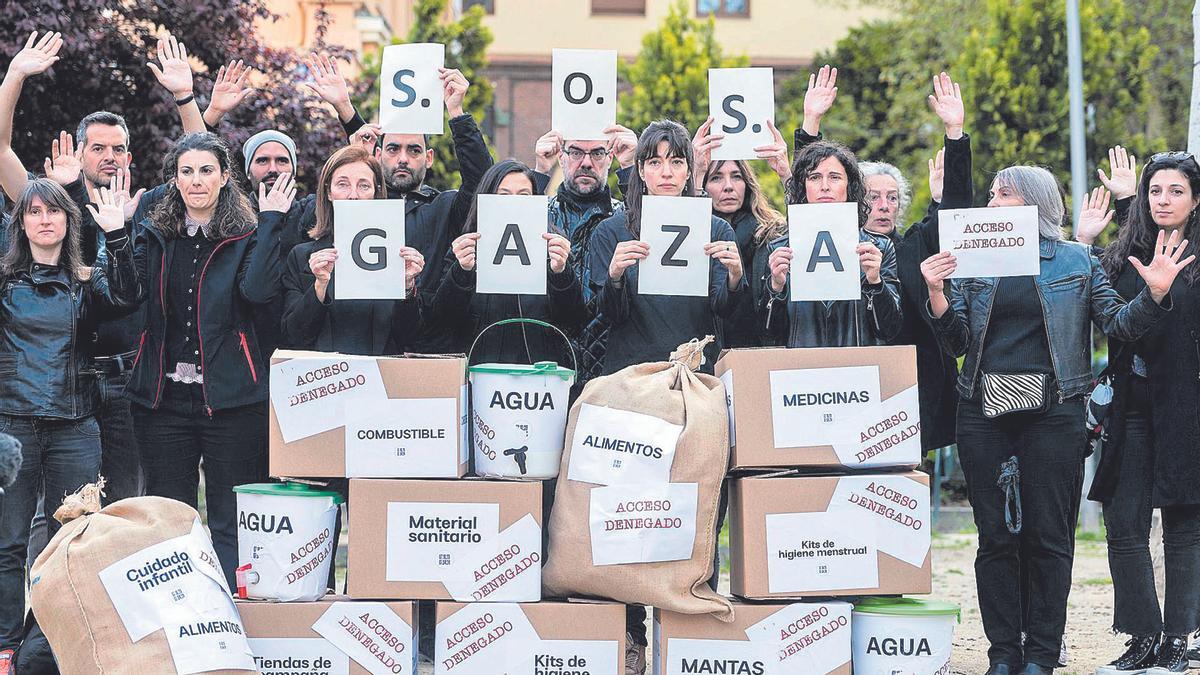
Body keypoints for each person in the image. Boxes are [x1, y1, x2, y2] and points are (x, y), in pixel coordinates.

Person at [920, 165, 1191, 675]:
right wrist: (937, 294)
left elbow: (1118, 324)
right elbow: (956, 341)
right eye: (993, 192)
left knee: (1049, 537)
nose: (992, 200)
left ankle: (1042, 655)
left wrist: (1154, 293)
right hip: (982, 412)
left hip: (1057, 411)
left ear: (1032, 203)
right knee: (995, 538)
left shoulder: (1077, 260)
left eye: (1003, 193)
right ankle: (1003, 654)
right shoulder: (971, 260)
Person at [586, 119, 747, 674]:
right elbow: (598, 316)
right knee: (629, 515)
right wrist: (612, 277)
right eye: (654, 161)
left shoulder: (715, 230)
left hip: (695, 390)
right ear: (639, 169)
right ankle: (629, 636)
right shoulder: (612, 230)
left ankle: (692, 633)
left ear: (689, 169)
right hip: (632, 387)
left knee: (700, 508)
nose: (665, 172)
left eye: (675, 161)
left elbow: (730, 319)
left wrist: (736, 276)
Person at [125, 132, 294, 588]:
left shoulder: (247, 232)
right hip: (162, 402)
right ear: (174, 180)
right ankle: (179, 618)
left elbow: (258, 292)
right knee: (168, 518)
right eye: (186, 172)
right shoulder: (154, 233)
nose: (196, 180)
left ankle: (231, 618)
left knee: (230, 521)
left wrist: (272, 220)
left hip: (232, 399)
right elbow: (130, 295)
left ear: (224, 177)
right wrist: (118, 232)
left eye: (205, 171)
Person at [0, 31, 148, 506]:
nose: (109, 156)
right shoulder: (51, 208)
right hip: (60, 387)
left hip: (124, 380)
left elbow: (202, 157)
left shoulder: (147, 207)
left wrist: (188, 98)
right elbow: (1, 151)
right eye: (99, 147)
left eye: (118, 148)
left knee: (125, 501)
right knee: (58, 511)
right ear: (80, 153)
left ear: (129, 156)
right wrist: (16, 76)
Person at [0, 180, 139, 669]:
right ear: (21, 223)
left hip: (74, 426)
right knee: (8, 542)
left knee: (72, 541)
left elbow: (126, 298)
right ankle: (4, 645)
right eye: (33, 212)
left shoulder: (85, 279)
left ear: (67, 221)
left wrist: (117, 236)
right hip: (12, 425)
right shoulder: (2, 281)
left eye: (53, 211)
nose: (43, 220)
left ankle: (49, 642)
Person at [1087, 153, 1200, 674]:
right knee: (1123, 525)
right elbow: (1117, 318)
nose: (1164, 201)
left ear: (1195, 200)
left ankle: (1180, 636)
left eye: (1176, 191)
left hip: (1187, 408)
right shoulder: (1123, 256)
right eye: (1155, 191)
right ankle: (1144, 634)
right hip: (1130, 405)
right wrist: (1128, 204)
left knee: (1184, 525)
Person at [857, 72, 973, 452]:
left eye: (892, 198)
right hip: (853, 383)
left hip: (913, 389)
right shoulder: (835, 245)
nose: (883, 206)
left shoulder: (914, 243)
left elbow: (956, 214)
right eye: (873, 197)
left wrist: (954, 133)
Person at [429, 159, 586, 361]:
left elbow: (574, 322)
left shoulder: (552, 248)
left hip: (539, 375)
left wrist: (561, 273)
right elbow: (443, 319)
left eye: (524, 195)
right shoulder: (466, 249)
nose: (514, 203)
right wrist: (462, 272)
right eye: (504, 195)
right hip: (481, 373)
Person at [281, 145, 424, 355]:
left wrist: (407, 288)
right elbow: (293, 337)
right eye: (343, 184)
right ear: (329, 192)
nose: (353, 196)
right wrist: (319, 287)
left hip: (384, 381)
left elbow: (411, 338)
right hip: (325, 382)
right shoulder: (302, 257)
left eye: (363, 186)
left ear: (376, 193)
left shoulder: (397, 255)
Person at [532, 125, 637, 382]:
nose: (587, 163)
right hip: (545, 364)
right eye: (577, 152)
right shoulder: (539, 211)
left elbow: (649, 221)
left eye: (597, 154)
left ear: (610, 158)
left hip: (610, 369)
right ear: (561, 157)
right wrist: (539, 171)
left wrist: (630, 168)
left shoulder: (624, 215)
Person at [692, 120, 789, 347]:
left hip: (760, 351)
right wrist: (697, 172)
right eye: (716, 178)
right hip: (705, 352)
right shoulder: (692, 235)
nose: (728, 186)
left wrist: (786, 175)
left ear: (747, 183)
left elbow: (809, 227)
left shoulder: (772, 232)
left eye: (736, 176)